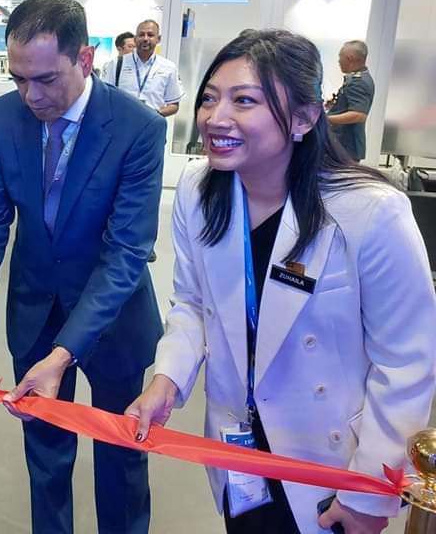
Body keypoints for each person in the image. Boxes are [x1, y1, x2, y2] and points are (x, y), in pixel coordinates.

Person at [127, 30, 436, 534]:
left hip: (329, 466)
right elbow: (192, 304)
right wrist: (167, 380)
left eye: (243, 100)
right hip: (237, 446)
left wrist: (370, 495)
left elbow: (406, 363)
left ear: (303, 118)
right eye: (209, 98)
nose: (214, 118)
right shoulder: (199, 190)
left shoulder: (370, 212)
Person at [0, 0, 166, 534]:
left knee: (120, 453)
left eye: (46, 79)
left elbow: (126, 253)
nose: (31, 95)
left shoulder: (137, 129)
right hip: (35, 306)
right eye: (20, 79)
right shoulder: (2, 118)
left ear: (85, 60)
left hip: (113, 318)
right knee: (45, 453)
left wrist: (66, 351)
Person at [326, 40, 375, 162]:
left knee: (340, 180)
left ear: (350, 58)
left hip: (346, 146)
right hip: (343, 145)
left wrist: (325, 119)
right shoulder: (357, 78)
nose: (338, 61)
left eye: (340, 57)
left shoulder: (358, 82)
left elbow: (359, 115)